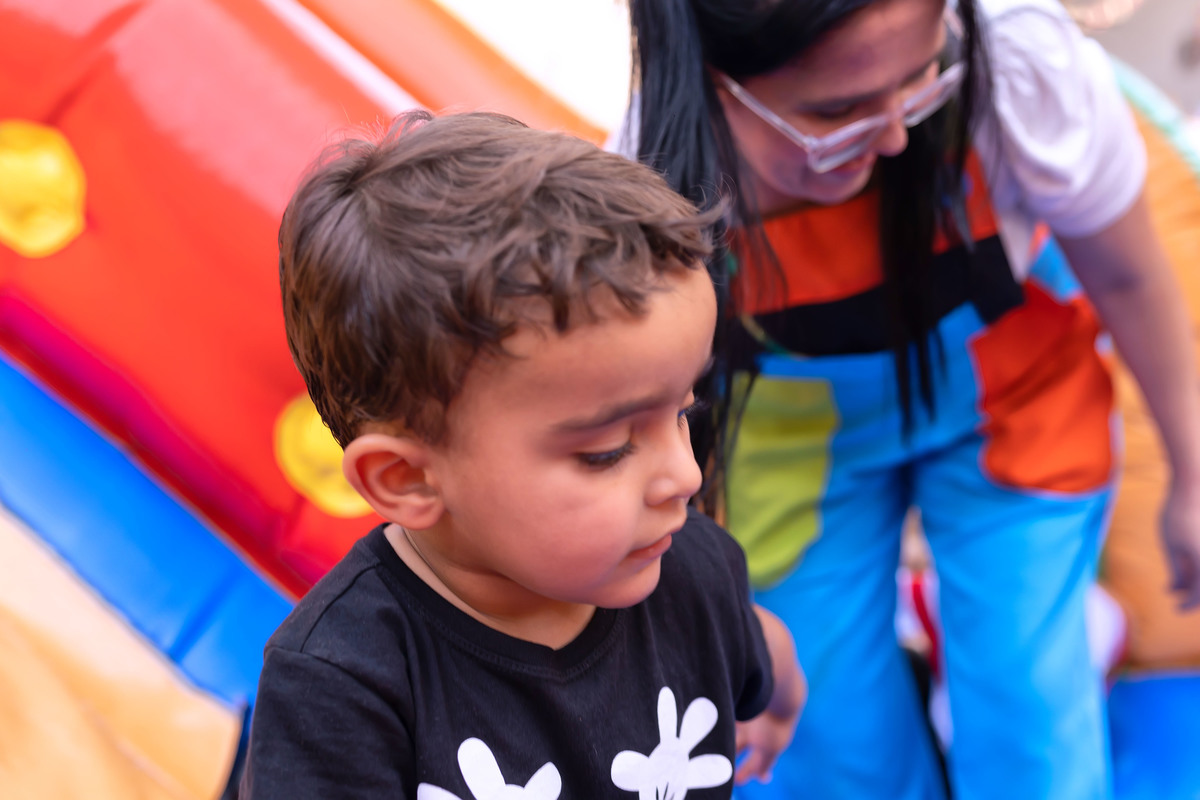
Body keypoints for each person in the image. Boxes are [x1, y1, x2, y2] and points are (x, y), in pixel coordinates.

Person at [620, 0, 1200, 797]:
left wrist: (1192, 476)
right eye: (838, 113)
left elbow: (1130, 277)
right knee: (827, 737)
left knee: (1028, 707)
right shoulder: (648, 188)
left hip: (1011, 399)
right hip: (796, 438)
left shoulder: (1022, 69)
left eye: (923, 77)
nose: (894, 134)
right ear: (715, 81)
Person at [240, 110, 806, 799]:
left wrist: (778, 707)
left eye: (684, 414)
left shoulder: (692, 571)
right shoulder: (340, 688)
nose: (684, 477)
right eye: (607, 451)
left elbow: (762, 649)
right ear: (408, 478)